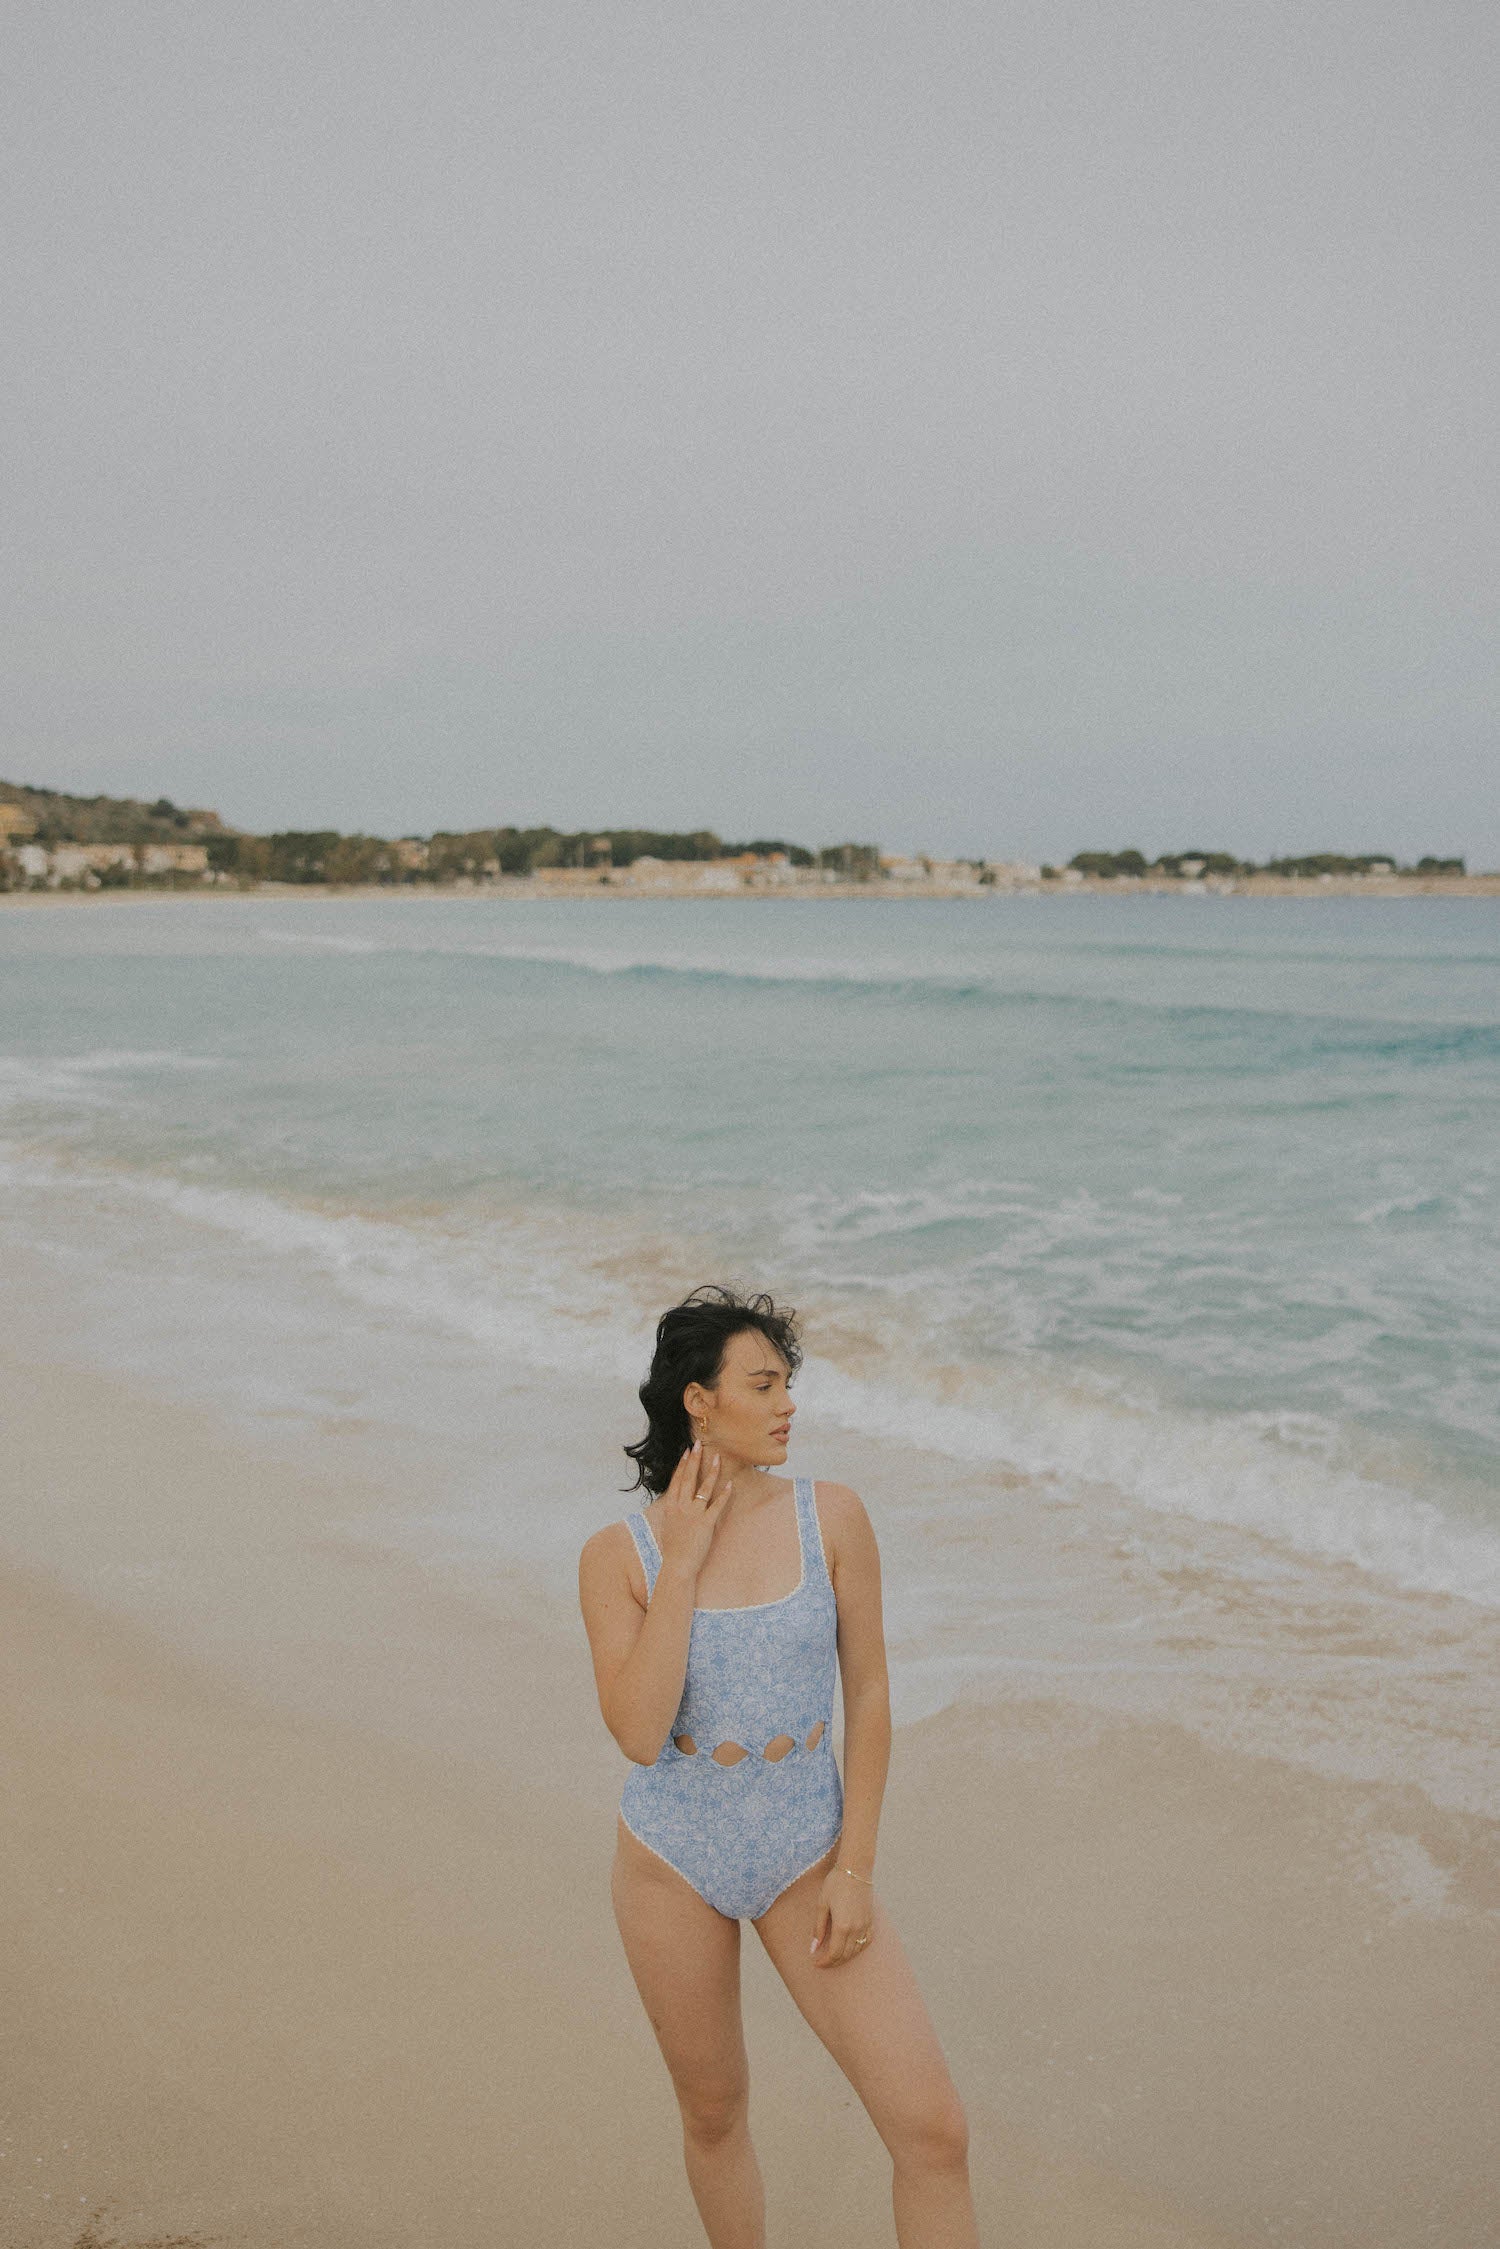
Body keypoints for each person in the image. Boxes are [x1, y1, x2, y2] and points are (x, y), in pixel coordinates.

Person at [578, 1284, 979, 2248]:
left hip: (810, 1850)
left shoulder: (831, 1517)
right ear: (699, 1400)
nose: (789, 1403)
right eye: (764, 1383)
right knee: (714, 2113)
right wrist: (684, 1558)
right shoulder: (616, 1557)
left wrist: (857, 1867)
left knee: (933, 2130)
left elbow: (871, 1695)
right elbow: (639, 1730)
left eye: (789, 1382)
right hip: (673, 1858)